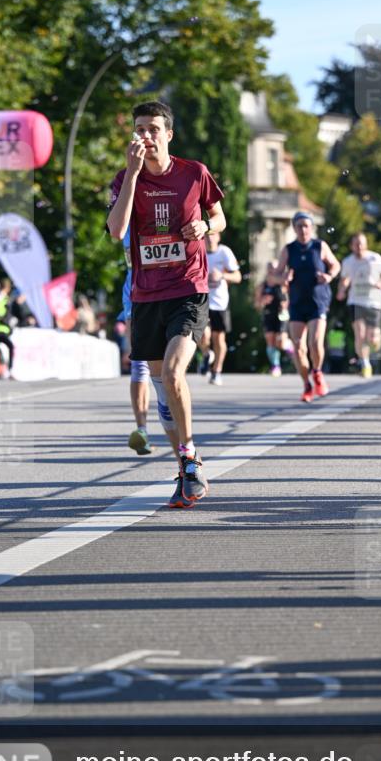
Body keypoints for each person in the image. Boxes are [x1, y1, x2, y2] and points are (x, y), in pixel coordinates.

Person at [107, 99, 226, 508]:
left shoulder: (195, 173)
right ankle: (183, 466)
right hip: (145, 295)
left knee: (175, 373)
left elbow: (220, 218)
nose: (146, 135)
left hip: (188, 288)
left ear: (168, 134)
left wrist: (205, 225)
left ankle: (190, 459)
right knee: (162, 390)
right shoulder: (125, 179)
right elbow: (116, 230)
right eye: (139, 128)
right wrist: (133, 176)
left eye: (154, 128)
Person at [272, 212, 340, 402]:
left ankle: (317, 373)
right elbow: (274, 276)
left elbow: (335, 265)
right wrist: (282, 278)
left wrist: (329, 276)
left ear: (311, 227)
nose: (303, 229)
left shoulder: (320, 246)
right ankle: (306, 384)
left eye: (306, 225)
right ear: (294, 228)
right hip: (296, 302)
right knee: (298, 347)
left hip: (318, 301)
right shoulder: (288, 249)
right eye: (299, 226)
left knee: (315, 342)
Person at [337, 232, 381, 378]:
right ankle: (365, 363)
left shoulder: (375, 258)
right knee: (359, 334)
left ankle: (374, 345)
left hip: (374, 301)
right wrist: (342, 289)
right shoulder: (348, 261)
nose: (359, 247)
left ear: (366, 244)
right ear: (352, 246)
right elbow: (345, 279)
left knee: (373, 339)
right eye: (356, 244)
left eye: (361, 243)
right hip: (355, 301)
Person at [121, 228, 154, 456]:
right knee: (139, 361)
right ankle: (142, 429)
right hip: (137, 287)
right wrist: (128, 344)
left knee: (165, 372)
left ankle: (177, 431)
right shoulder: (127, 212)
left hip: (170, 287)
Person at [198, 231, 241, 385]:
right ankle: (206, 354)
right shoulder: (198, 250)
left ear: (218, 237)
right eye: (207, 235)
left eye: (213, 235)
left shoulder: (224, 252)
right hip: (202, 301)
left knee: (219, 339)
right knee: (202, 335)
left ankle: (216, 371)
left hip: (220, 302)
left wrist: (222, 276)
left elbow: (238, 276)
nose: (209, 238)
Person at [254, 261, 290, 377]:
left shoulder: (283, 284)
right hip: (268, 314)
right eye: (270, 268)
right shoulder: (262, 285)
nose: (272, 271)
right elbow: (257, 304)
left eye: (274, 268)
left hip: (281, 315)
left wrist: (285, 304)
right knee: (270, 340)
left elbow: (291, 298)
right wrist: (262, 301)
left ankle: (292, 349)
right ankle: (275, 366)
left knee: (281, 342)